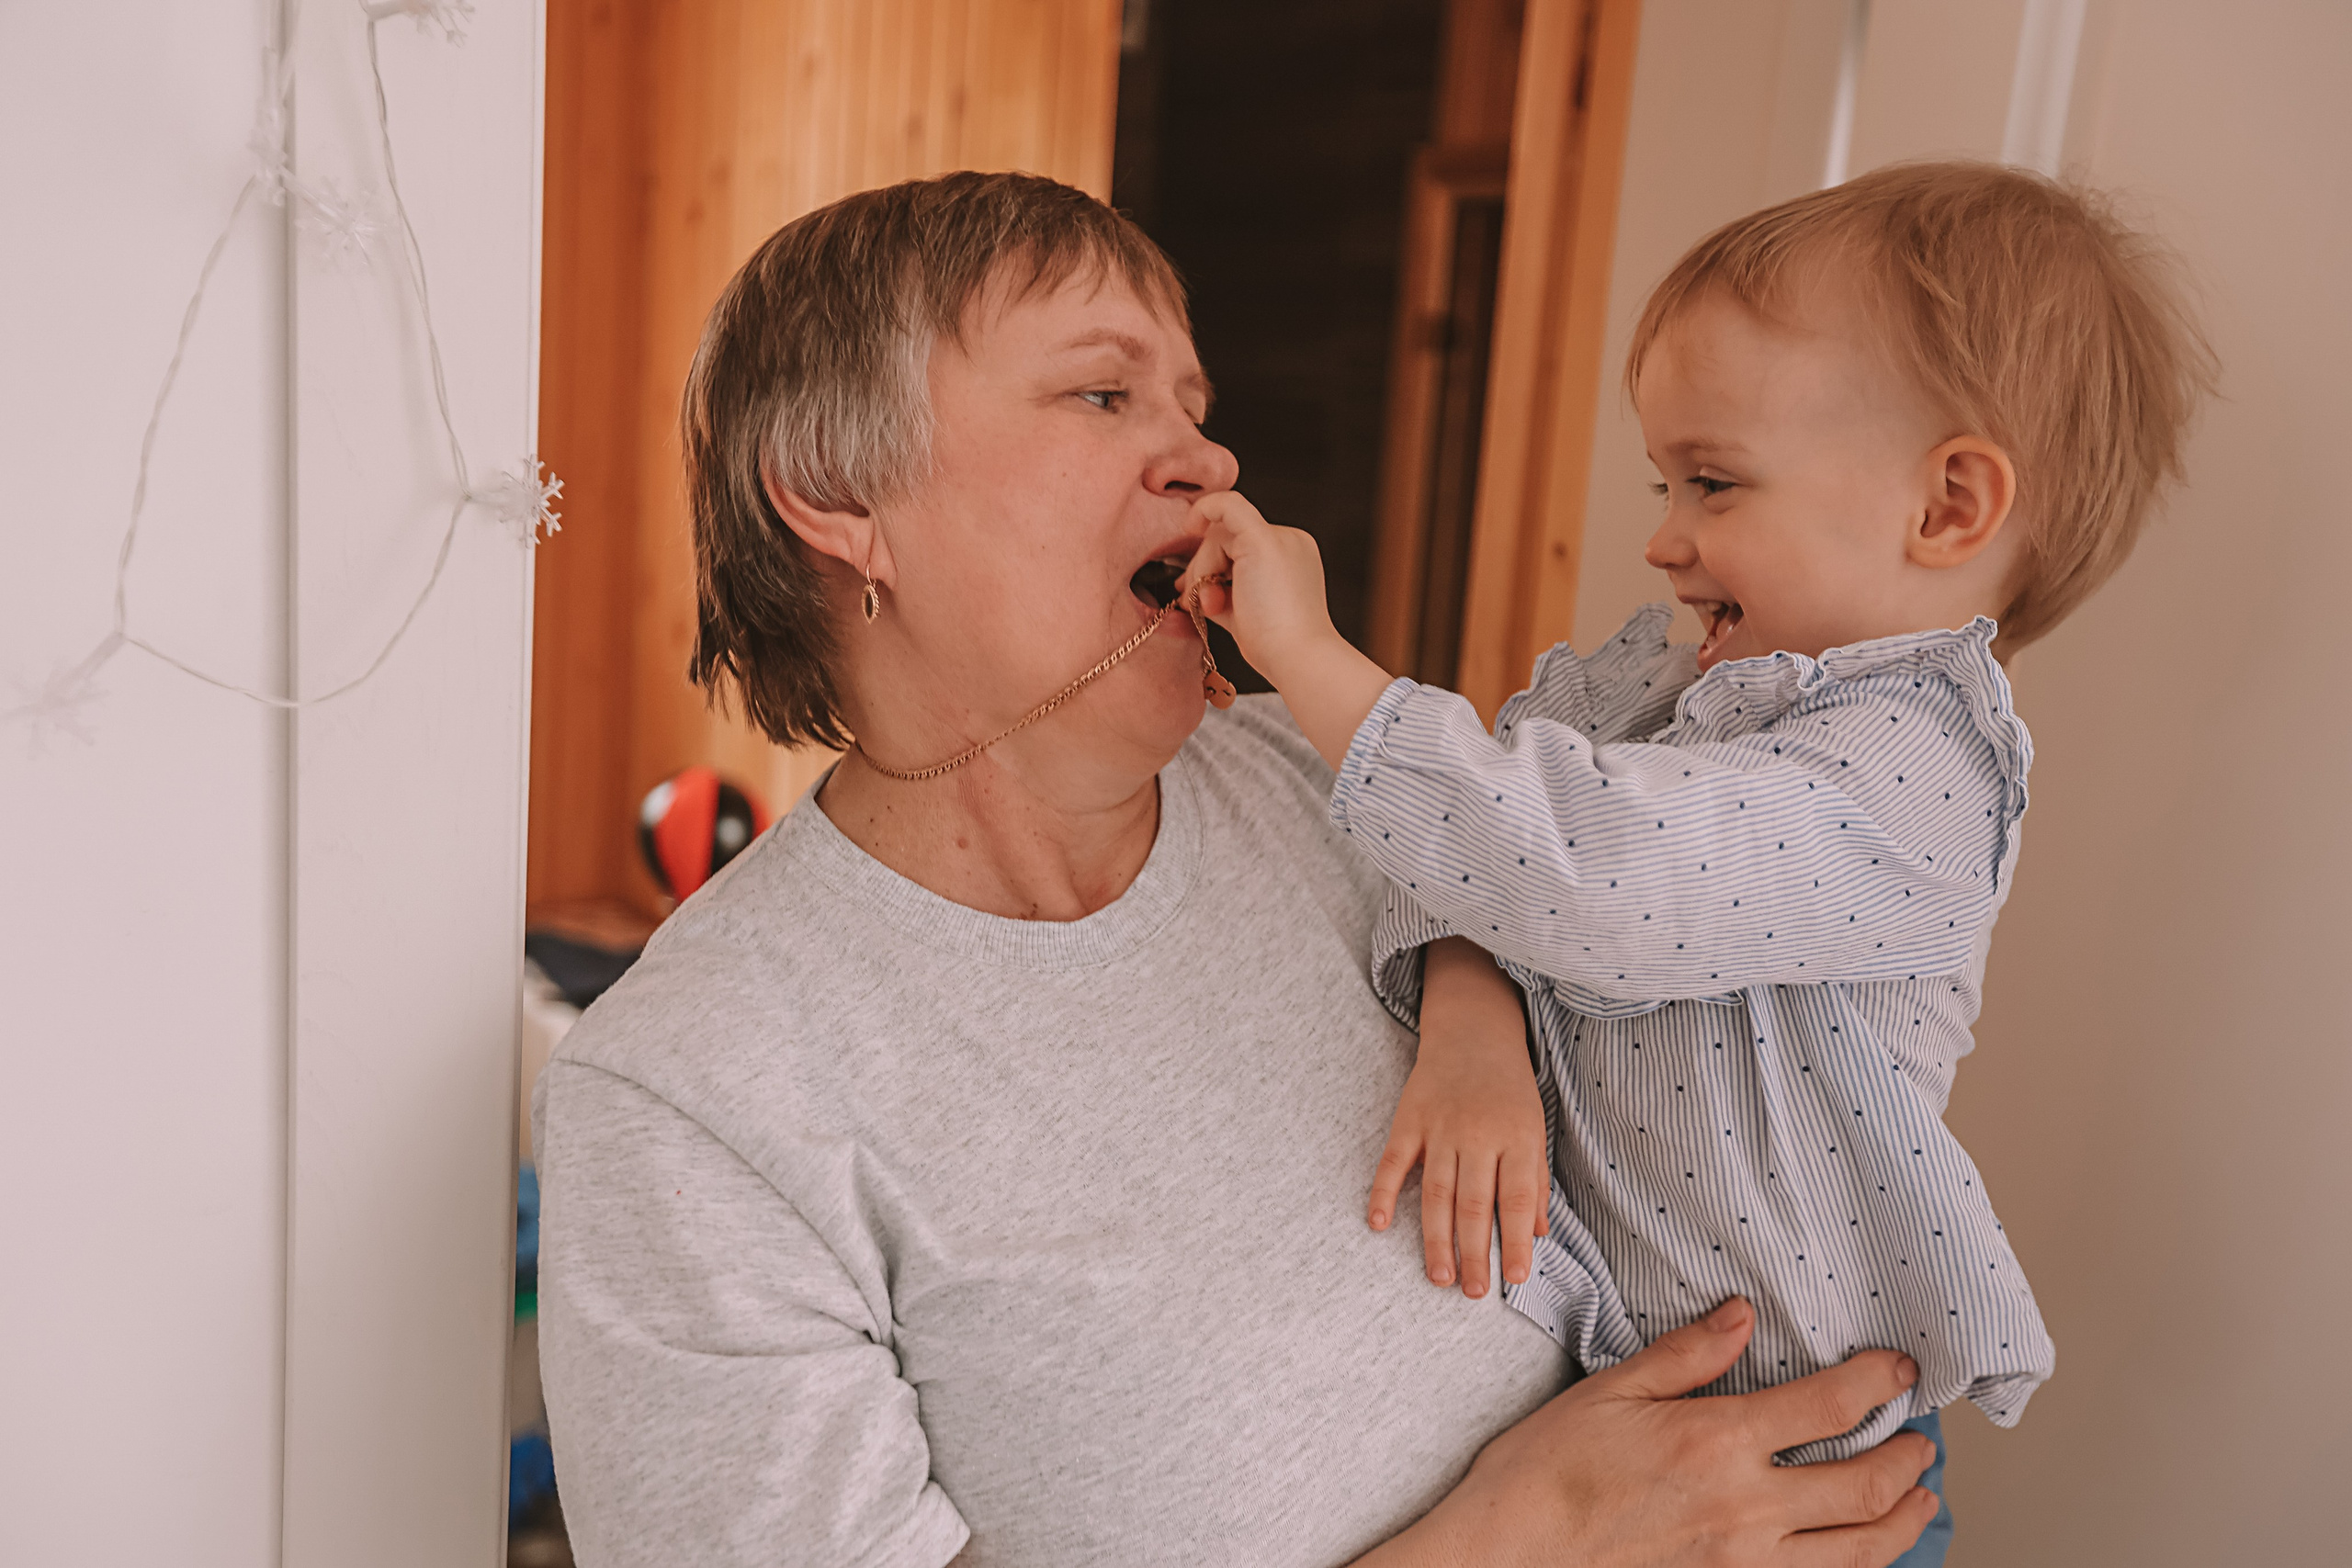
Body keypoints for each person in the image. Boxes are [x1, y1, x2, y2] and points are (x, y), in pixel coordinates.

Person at [533, 170, 1942, 1567]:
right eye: (1103, 394)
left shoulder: (1360, 786)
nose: (1205, 461)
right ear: (839, 494)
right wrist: (1536, 1535)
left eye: (1195, 412)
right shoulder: (692, 1096)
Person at [1177, 162, 2214, 1566]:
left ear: (1950, 506)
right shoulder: (1671, 680)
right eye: (1666, 480)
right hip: (1615, 1425)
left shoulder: (1917, 772)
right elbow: (1481, 819)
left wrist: (1307, 659)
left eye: (1714, 482)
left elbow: (1588, 874)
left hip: (1801, 1482)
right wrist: (1473, 1021)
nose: (1665, 539)